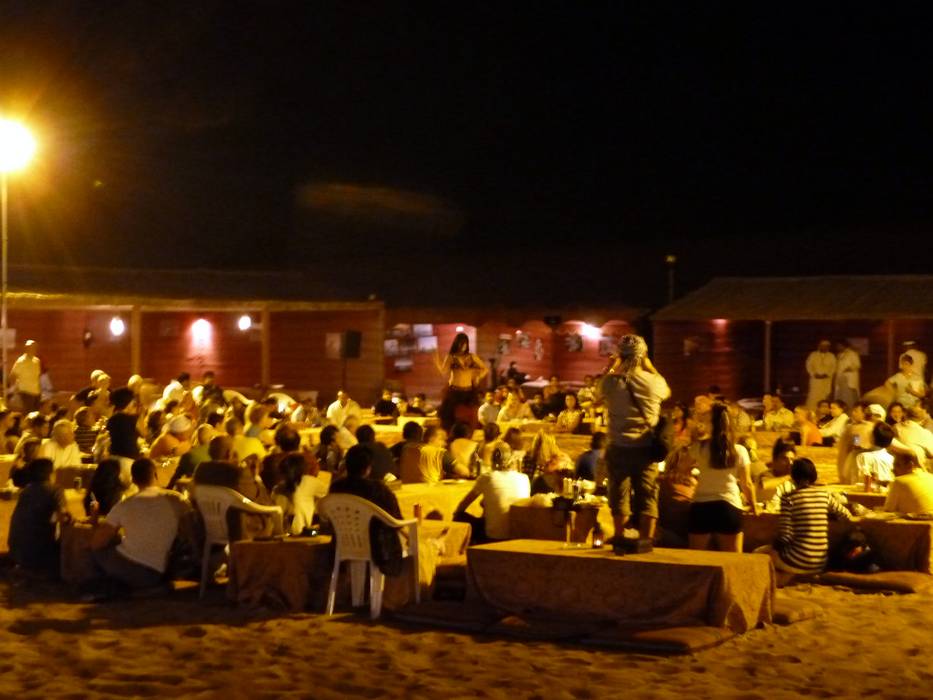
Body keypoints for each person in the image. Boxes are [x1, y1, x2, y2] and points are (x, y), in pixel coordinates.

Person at [595, 334, 670, 540]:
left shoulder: (611, 382)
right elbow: (667, 392)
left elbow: (597, 393)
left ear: (620, 355)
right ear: (643, 355)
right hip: (646, 447)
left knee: (619, 494)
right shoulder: (655, 382)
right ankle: (646, 541)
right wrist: (650, 367)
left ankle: (620, 538)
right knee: (648, 495)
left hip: (618, 446)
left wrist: (612, 366)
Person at [87, 458, 192, 596]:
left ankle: (125, 590)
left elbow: (97, 543)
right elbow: (190, 528)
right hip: (165, 569)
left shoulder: (125, 505)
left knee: (97, 551)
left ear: (133, 480)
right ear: (156, 475)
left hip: (135, 570)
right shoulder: (177, 499)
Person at [687, 403, 758, 552]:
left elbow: (682, 468)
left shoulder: (699, 447)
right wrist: (753, 505)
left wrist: (693, 478)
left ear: (710, 425)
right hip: (728, 506)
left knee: (696, 558)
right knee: (732, 559)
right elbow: (747, 483)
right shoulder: (739, 451)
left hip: (701, 506)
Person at [766, 458, 852, 574]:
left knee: (761, 553)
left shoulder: (788, 499)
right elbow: (846, 515)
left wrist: (774, 546)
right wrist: (826, 516)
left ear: (793, 477)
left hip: (799, 560)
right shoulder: (824, 495)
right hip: (820, 563)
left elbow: (786, 537)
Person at [329, 444, 405, 575]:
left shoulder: (336, 488)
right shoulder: (378, 489)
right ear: (368, 468)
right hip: (378, 548)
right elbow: (396, 520)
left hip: (343, 545)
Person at [454, 443, 530, 541]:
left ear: (492, 461)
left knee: (459, 516)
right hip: (518, 536)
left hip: (493, 536)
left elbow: (463, 505)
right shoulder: (524, 478)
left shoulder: (487, 478)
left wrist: (456, 513)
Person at [8, 458, 70, 574]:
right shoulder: (56, 490)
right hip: (38, 553)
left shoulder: (26, 491)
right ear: (51, 474)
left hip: (16, 551)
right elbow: (63, 516)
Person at [434, 332, 488, 431]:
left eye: (464, 344)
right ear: (456, 344)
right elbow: (443, 371)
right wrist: (437, 362)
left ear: (467, 344)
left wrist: (478, 377)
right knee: (450, 417)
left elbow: (485, 369)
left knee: (468, 417)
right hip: (454, 390)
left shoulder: (472, 357)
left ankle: (466, 434)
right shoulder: (451, 357)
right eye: (460, 344)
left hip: (468, 391)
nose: (462, 346)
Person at [272, 452, 329, 535]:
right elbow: (331, 494)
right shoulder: (308, 481)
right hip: (301, 531)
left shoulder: (277, 488)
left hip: (280, 532)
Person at [836, 402, 873, 484]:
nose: (853, 413)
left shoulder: (866, 427)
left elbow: (857, 443)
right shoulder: (853, 426)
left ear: (864, 413)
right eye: (853, 411)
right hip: (849, 457)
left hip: (857, 460)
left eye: (856, 411)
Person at [857, 421, 896, 492]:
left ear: (872, 438)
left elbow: (858, 479)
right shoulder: (892, 459)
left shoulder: (863, 457)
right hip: (887, 492)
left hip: (866, 493)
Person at [10, 339, 42, 412]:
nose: (32, 349)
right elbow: (13, 375)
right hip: (25, 392)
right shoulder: (21, 361)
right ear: (26, 349)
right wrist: (15, 389)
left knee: (36, 414)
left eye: (34, 347)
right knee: (28, 414)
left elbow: (37, 377)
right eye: (30, 348)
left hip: (36, 392)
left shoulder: (37, 361)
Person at [805, 340, 836, 409]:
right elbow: (808, 365)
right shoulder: (813, 355)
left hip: (826, 380)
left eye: (826, 346)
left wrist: (827, 374)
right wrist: (814, 374)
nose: (824, 348)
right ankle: (812, 410)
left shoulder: (832, 356)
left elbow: (834, 367)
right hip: (815, 379)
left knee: (825, 395)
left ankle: (824, 411)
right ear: (819, 346)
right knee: (813, 395)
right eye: (823, 346)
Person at [834, 340, 861, 407]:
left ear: (844, 346)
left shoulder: (852, 353)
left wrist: (850, 369)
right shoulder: (839, 355)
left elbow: (857, 365)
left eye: (839, 346)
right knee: (840, 394)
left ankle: (850, 407)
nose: (838, 347)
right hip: (840, 378)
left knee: (849, 395)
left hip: (849, 378)